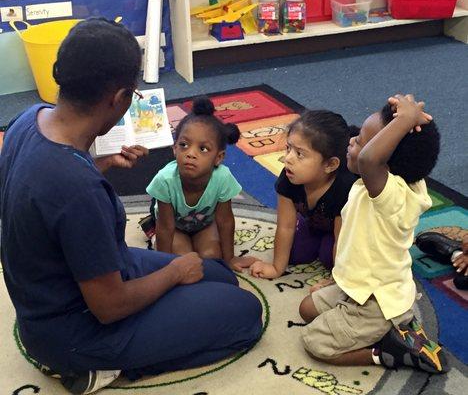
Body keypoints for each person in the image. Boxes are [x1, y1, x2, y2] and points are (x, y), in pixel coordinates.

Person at [0, 18, 262, 394]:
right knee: (245, 316)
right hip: (74, 331)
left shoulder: (30, 118)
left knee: (220, 277)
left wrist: (100, 166)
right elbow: (109, 306)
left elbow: (42, 191)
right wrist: (173, 274)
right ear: (119, 98)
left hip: (65, 289)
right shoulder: (77, 189)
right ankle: (104, 369)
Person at [298, 94, 448, 373]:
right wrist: (402, 121)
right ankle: (397, 328)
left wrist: (404, 120)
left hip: (375, 303)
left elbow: (369, 161)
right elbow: (375, 158)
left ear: (384, 165)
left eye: (361, 141)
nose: (352, 141)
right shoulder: (398, 180)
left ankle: (389, 351)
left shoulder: (393, 196)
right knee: (307, 309)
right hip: (358, 287)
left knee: (314, 342)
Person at [146, 97, 256, 271]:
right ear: (174, 149)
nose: (190, 154)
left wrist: (230, 259)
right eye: (183, 145)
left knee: (211, 257)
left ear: (218, 158)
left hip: (203, 224)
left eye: (203, 149)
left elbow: (225, 220)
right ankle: (150, 229)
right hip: (174, 226)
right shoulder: (165, 180)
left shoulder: (222, 178)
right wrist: (164, 266)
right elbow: (166, 227)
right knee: (182, 260)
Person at [248, 110, 357, 279]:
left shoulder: (344, 187)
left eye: (299, 154)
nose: (288, 159)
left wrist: (334, 282)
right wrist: (277, 268)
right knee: (293, 254)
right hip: (313, 224)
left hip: (343, 233)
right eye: (288, 148)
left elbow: (341, 240)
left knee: (331, 258)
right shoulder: (289, 176)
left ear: (330, 164)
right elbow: (285, 226)